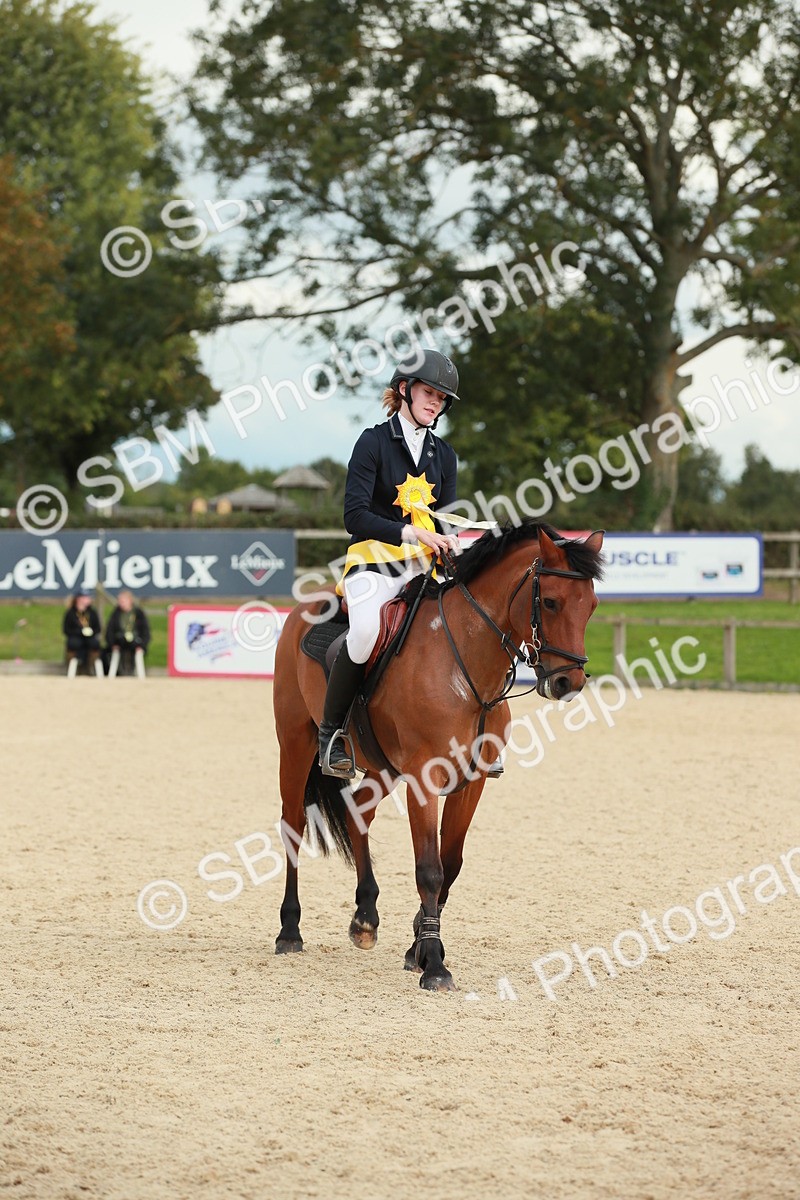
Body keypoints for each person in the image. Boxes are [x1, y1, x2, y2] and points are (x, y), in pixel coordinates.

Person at [318, 348, 462, 778]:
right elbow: (354, 516)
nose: (435, 403)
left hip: (424, 568)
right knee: (364, 632)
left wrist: (450, 540)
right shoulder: (373, 442)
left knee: (472, 620)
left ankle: (479, 728)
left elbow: (446, 518)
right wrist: (411, 532)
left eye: (442, 398)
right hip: (373, 563)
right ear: (404, 390)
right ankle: (332, 734)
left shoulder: (446, 455)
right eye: (429, 392)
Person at [105, 590, 151, 678]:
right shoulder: (116, 613)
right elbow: (110, 630)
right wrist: (112, 644)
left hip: (135, 641)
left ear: (130, 600)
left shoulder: (138, 613)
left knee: (134, 645)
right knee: (121, 641)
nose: (120, 603)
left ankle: (131, 671)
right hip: (120, 642)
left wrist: (142, 645)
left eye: (123, 601)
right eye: (119, 601)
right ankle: (122, 671)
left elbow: (145, 631)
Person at [63, 589, 103, 677]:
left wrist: (90, 632)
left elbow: (98, 628)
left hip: (89, 637)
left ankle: (91, 668)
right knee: (74, 644)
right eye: (85, 598)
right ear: (78, 599)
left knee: (94, 644)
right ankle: (75, 669)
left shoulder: (92, 612)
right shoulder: (71, 613)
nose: (88, 599)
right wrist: (79, 632)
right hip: (76, 637)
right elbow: (66, 630)